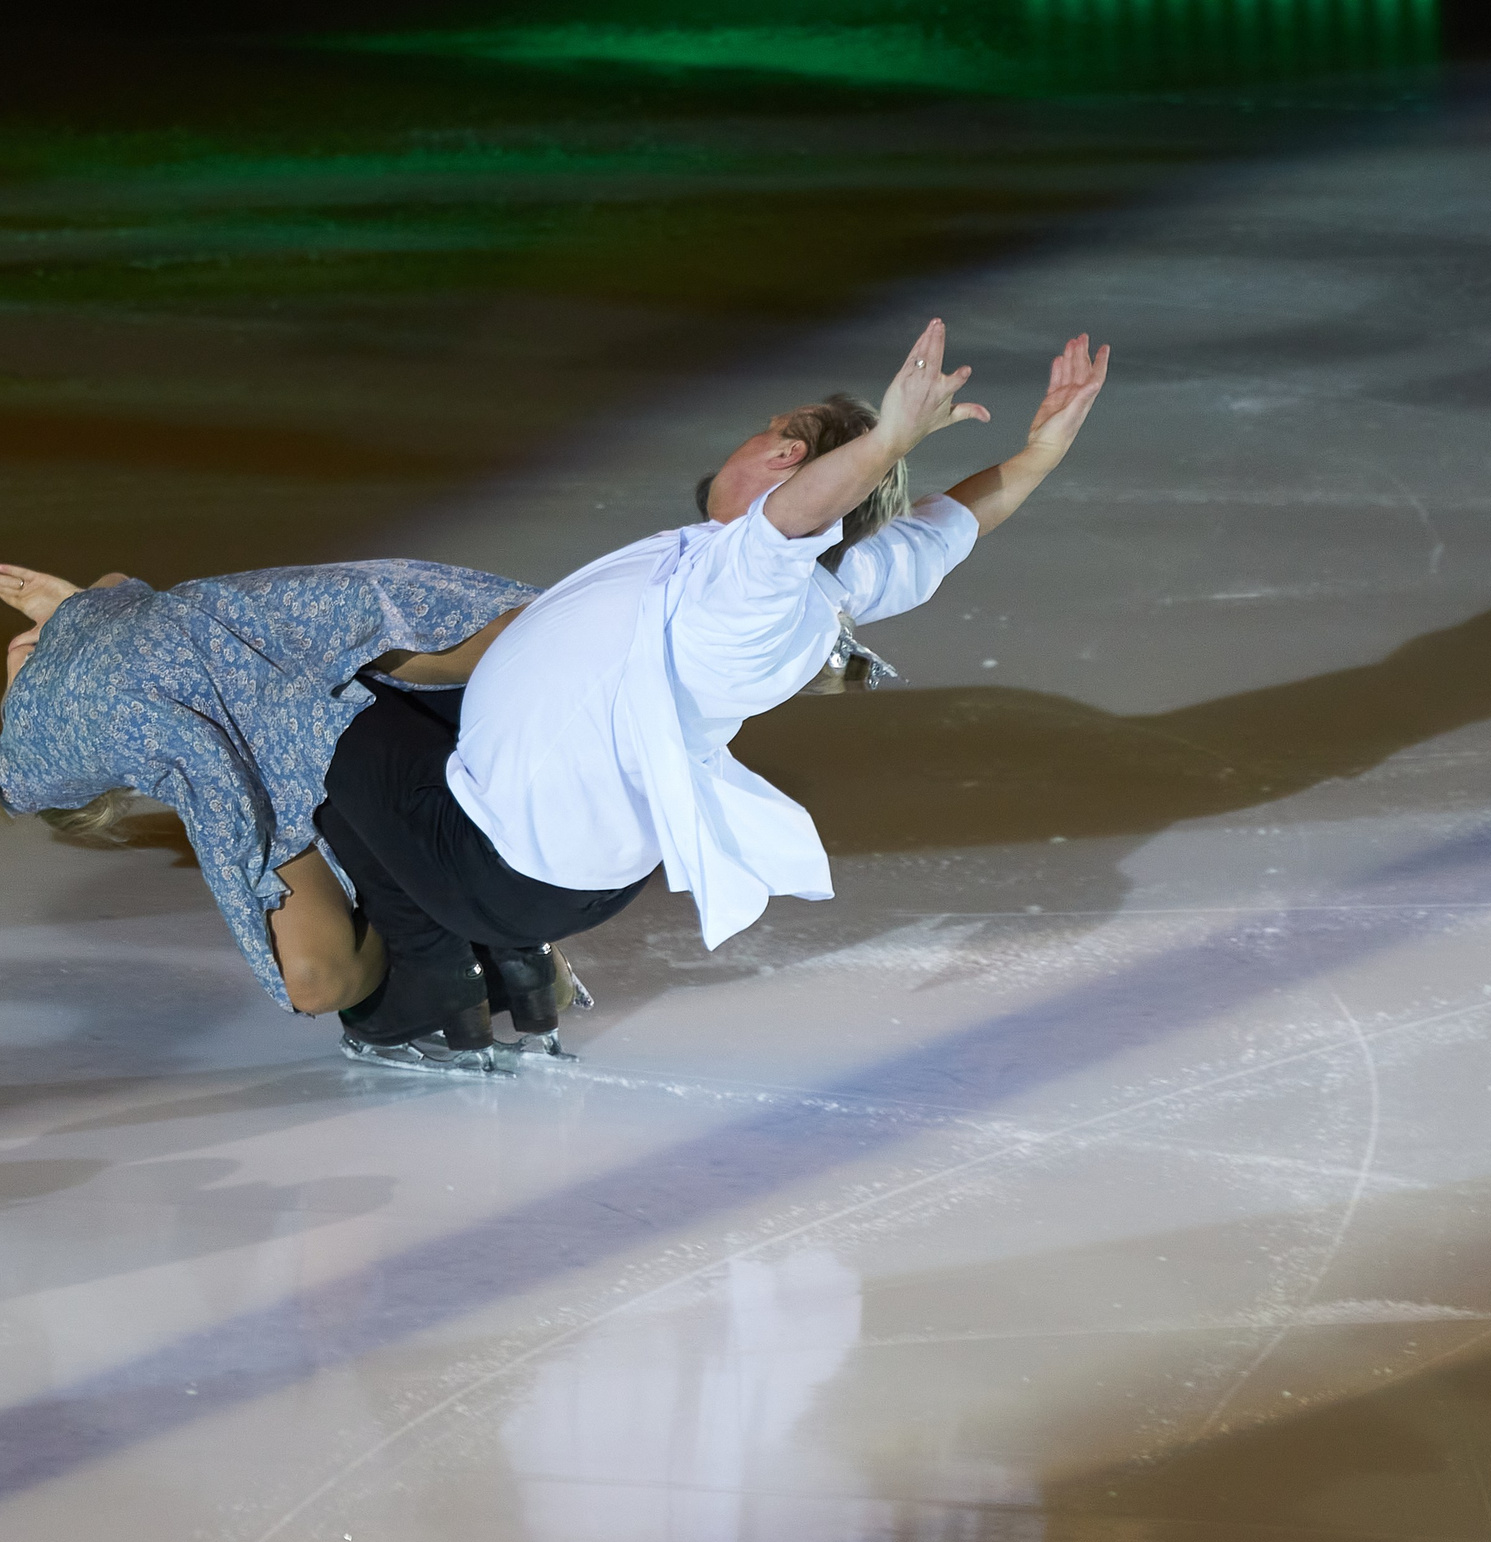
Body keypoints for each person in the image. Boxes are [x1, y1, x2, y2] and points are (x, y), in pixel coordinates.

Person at [318, 319, 1110, 1069]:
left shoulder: (748, 593)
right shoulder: (841, 580)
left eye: (769, 432)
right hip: (559, 866)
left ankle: (429, 986)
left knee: (321, 712)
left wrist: (893, 437)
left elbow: (796, 515)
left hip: (495, 869)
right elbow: (950, 524)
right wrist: (1039, 451)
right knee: (426, 710)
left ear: (786, 452)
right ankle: (517, 964)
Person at [0, 556, 537, 1017]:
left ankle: (460, 934)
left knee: (523, 637)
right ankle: (432, 949)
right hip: (261, 764)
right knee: (312, 979)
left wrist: (72, 603)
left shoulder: (86, 619)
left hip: (287, 638)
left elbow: (116, 587)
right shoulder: (21, 760)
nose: (12, 652)